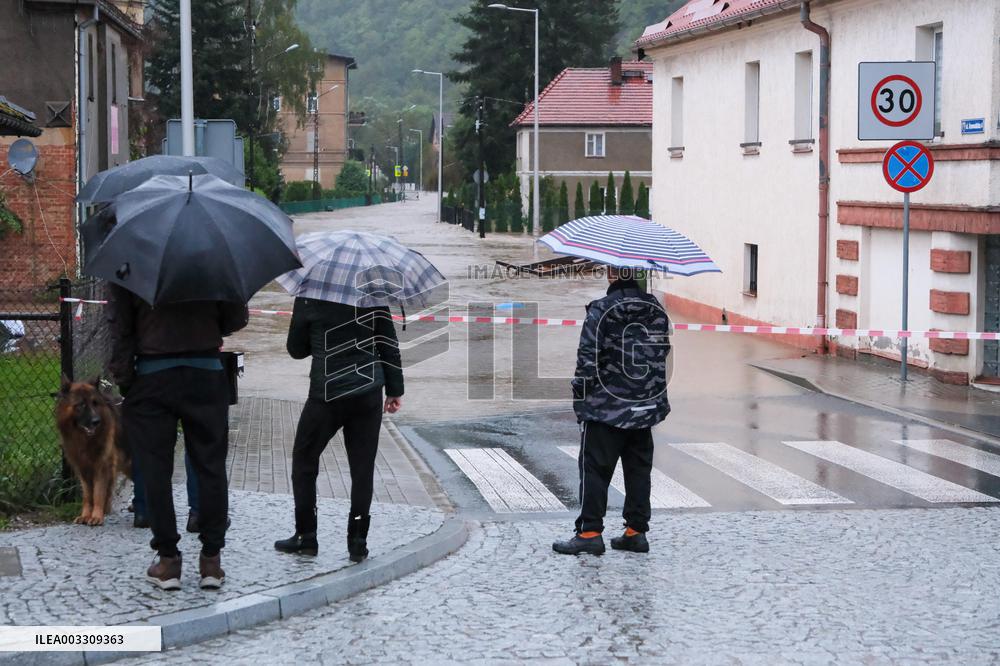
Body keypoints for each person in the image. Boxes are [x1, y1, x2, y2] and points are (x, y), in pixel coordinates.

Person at [108, 284, 248, 590]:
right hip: (206, 374)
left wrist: (126, 381)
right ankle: (211, 560)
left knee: (156, 469)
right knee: (211, 465)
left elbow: (120, 326)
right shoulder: (214, 259)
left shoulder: (131, 261)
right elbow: (236, 319)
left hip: (152, 375)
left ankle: (168, 560)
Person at [553, 267, 671, 556]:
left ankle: (590, 533)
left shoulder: (601, 311)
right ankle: (635, 533)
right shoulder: (656, 309)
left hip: (606, 409)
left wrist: (580, 403)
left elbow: (587, 362)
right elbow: (663, 352)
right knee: (638, 471)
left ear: (611, 272)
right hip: (645, 407)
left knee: (594, 470)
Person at [274, 297, 403, 562]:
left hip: (326, 394)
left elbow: (296, 350)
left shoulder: (310, 296)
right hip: (368, 393)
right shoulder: (373, 295)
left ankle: (306, 536)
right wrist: (395, 390)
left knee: (304, 460)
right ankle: (358, 541)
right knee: (362, 468)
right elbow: (388, 343)